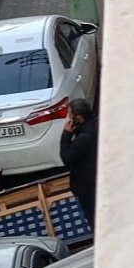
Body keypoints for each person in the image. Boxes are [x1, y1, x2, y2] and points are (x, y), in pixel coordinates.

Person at [60, 98, 98, 231]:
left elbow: (67, 158)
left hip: (88, 187)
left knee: (94, 219)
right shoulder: (95, 125)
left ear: (79, 117)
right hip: (97, 182)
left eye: (70, 114)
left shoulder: (84, 138)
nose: (68, 117)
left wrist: (66, 134)